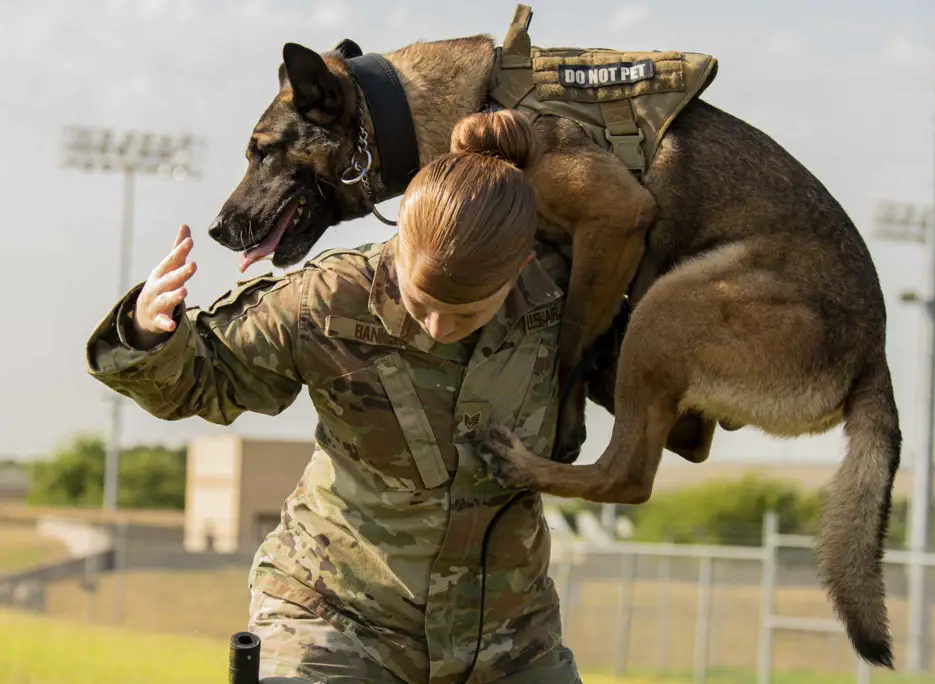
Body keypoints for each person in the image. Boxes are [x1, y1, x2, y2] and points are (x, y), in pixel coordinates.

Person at [85, 109, 582, 684]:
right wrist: (150, 332)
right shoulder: (327, 300)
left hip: (509, 642)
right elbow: (208, 378)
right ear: (400, 243)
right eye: (422, 303)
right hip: (335, 619)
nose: (440, 326)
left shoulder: (563, 303)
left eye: (467, 312)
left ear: (520, 266)